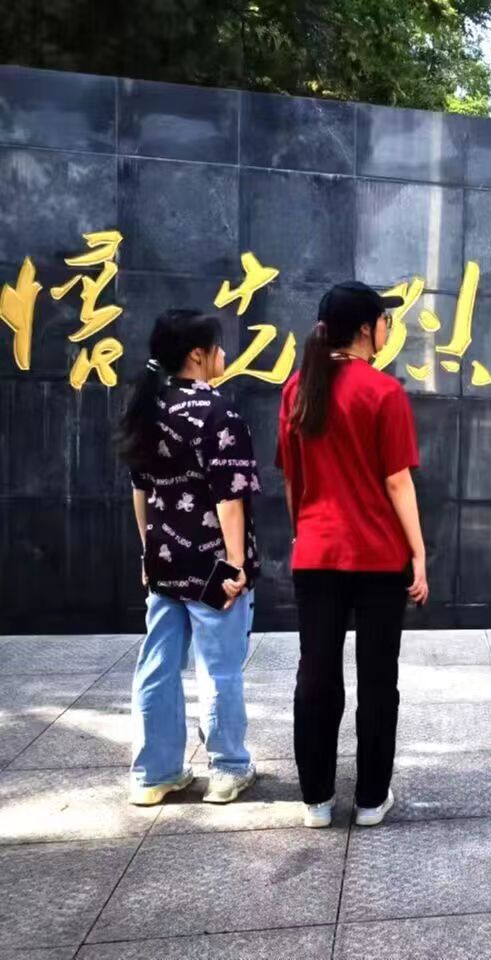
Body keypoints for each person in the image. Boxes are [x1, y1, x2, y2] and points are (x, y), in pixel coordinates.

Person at [277, 281, 429, 829]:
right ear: (367, 328)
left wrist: (304, 533)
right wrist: (419, 555)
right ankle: (370, 798)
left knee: (316, 674)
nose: (388, 330)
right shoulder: (383, 392)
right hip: (379, 558)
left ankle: (316, 799)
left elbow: (293, 482)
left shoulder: (298, 389)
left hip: (317, 554)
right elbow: (398, 482)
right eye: (386, 321)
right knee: (377, 678)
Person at [115, 309, 259, 806]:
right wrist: (236, 564)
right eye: (218, 347)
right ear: (198, 355)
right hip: (213, 566)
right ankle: (227, 770)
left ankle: (154, 774)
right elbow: (229, 499)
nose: (224, 355)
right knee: (219, 668)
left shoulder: (146, 409)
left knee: (157, 665)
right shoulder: (218, 413)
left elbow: (140, 491)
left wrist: (147, 550)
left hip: (164, 560)